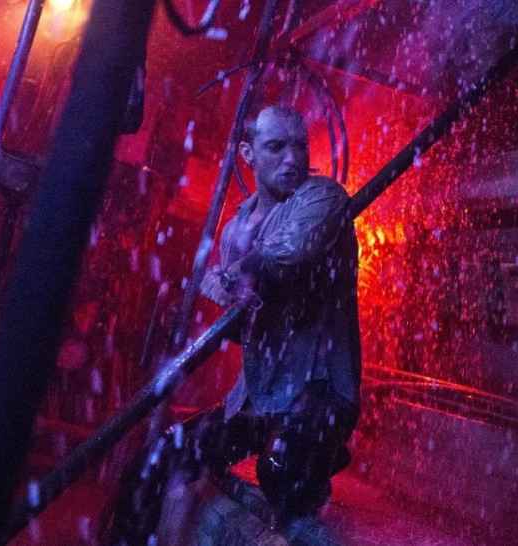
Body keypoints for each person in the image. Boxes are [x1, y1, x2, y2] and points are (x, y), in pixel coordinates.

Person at [105, 105, 361, 545]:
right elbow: (247, 328)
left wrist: (227, 279)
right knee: (153, 464)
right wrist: (225, 299)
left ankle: (320, 452)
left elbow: (288, 255)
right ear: (248, 153)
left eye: (300, 145)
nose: (292, 158)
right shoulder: (236, 228)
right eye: (276, 147)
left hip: (318, 394)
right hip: (258, 400)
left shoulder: (323, 198)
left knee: (280, 475)